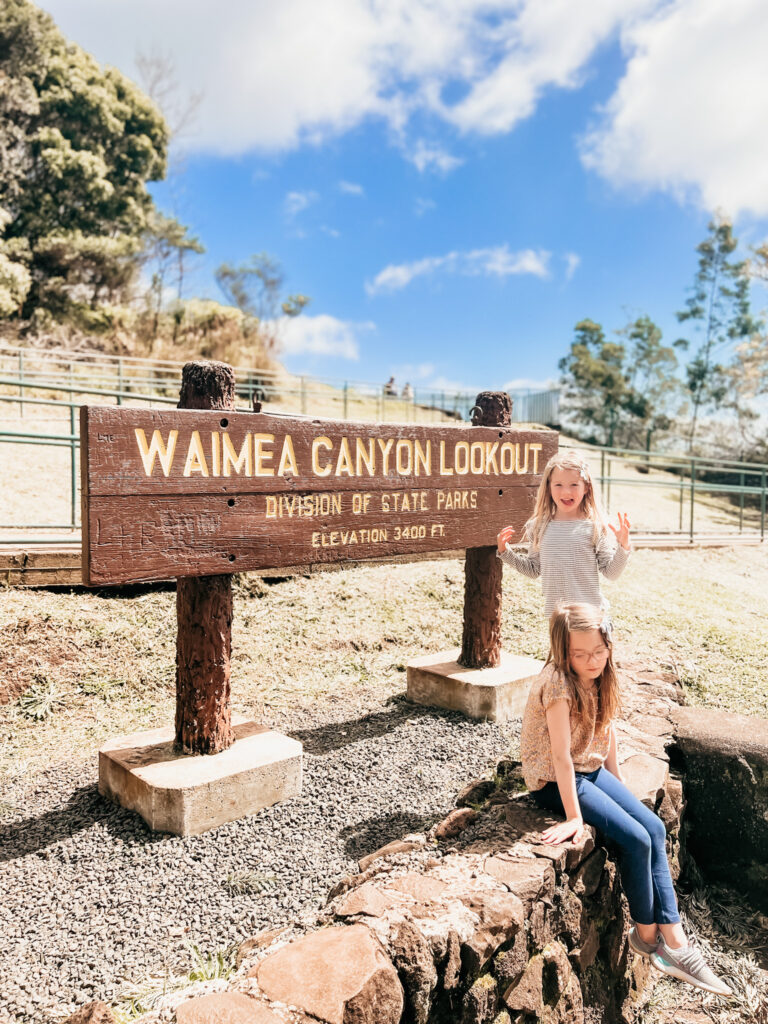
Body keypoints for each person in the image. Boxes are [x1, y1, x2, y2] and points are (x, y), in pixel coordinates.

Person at [521, 602, 732, 997]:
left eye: (599, 652)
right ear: (562, 650)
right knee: (634, 839)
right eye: (580, 654)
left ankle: (671, 940)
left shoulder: (601, 673)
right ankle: (653, 937)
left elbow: (606, 729)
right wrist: (572, 816)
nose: (591, 660)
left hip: (591, 769)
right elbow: (561, 758)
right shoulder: (559, 684)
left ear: (609, 646)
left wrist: (617, 786)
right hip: (555, 779)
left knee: (651, 826)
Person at [496, 450, 630, 621]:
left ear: (586, 487)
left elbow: (611, 573)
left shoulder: (596, 527)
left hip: (590, 618)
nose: (566, 492)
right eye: (558, 485)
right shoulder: (539, 527)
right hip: (557, 619)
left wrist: (624, 546)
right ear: (549, 488)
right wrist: (505, 552)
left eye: (574, 485)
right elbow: (534, 570)